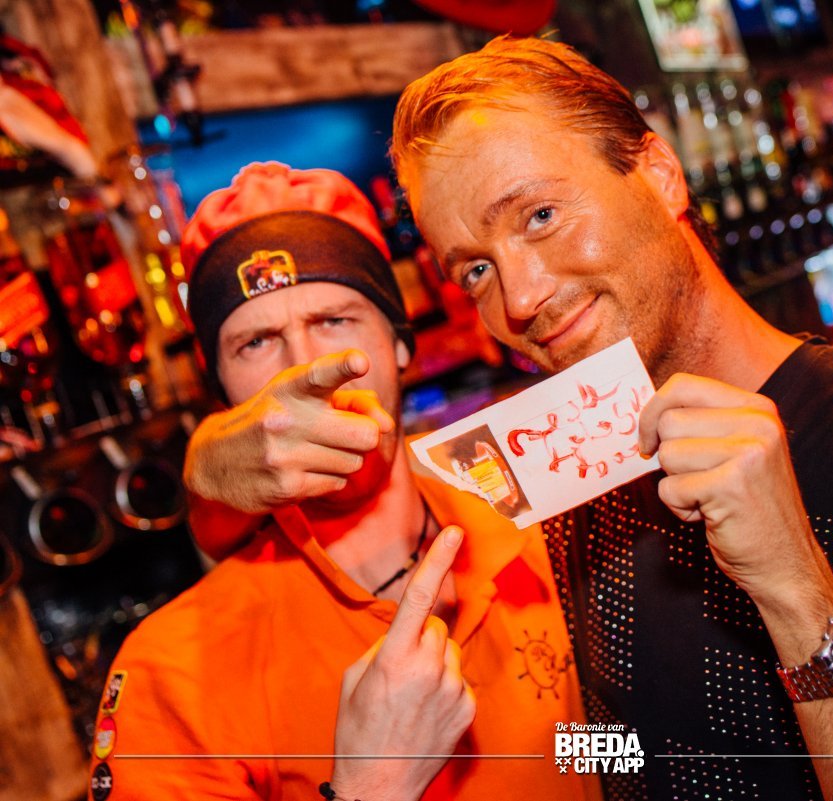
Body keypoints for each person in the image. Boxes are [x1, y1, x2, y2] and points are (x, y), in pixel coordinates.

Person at [186, 40, 833, 801]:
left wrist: (798, 593)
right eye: (476, 269)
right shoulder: (561, 471)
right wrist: (206, 462)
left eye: (540, 215)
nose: (519, 297)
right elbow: (635, 748)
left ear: (660, 174)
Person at [87, 163, 598, 801]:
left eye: (334, 320)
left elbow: (618, 755)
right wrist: (371, 787)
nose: (308, 369)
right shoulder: (173, 671)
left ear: (400, 344)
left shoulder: (547, 533)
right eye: (256, 343)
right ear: (222, 395)